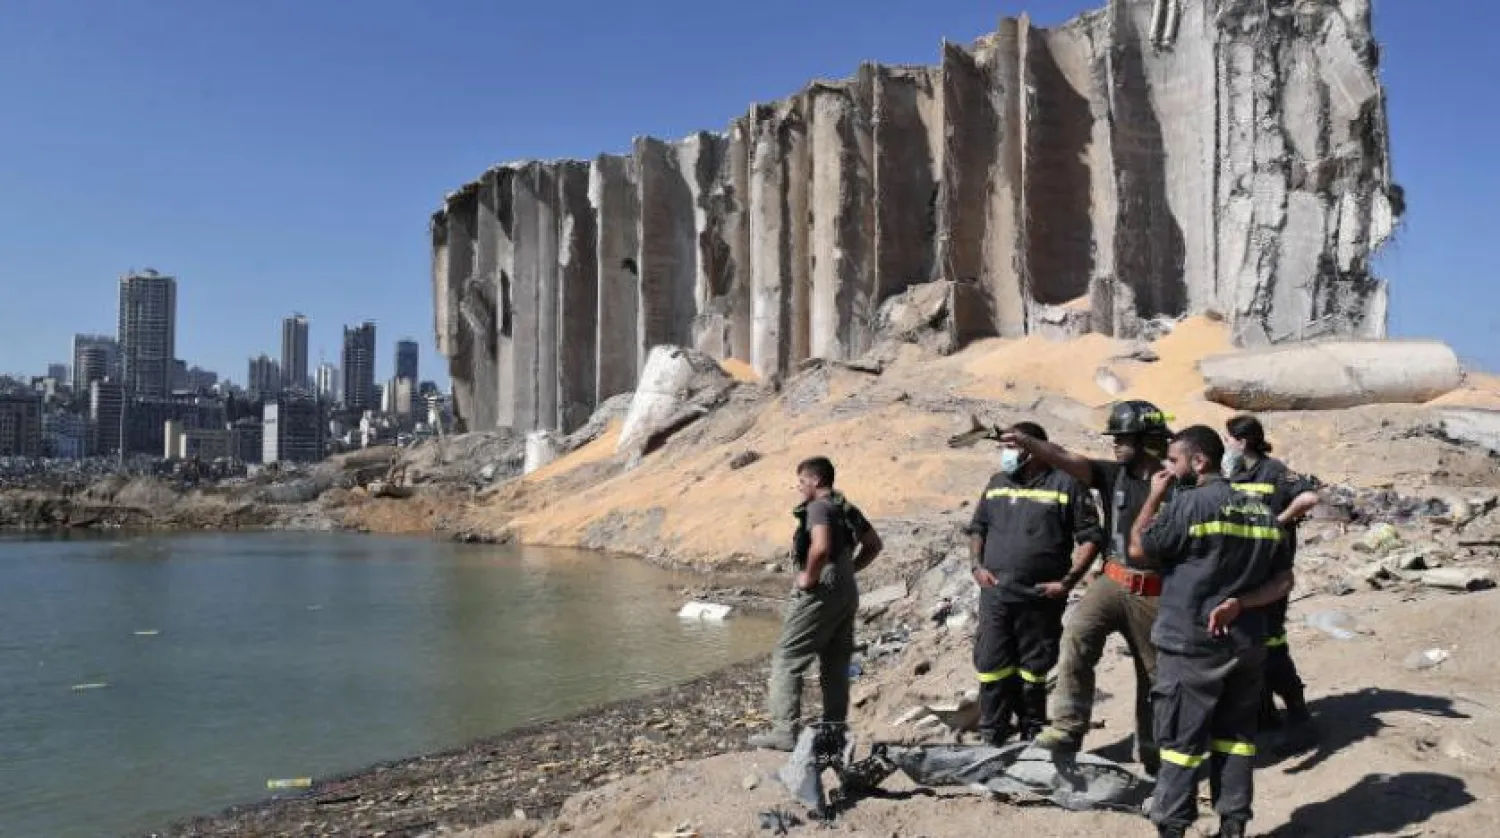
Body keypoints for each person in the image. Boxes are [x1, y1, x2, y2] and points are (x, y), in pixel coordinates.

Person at [1131, 425, 1294, 838]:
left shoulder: (1190, 504)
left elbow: (1138, 548)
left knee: (1180, 745)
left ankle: (1172, 826)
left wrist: (1154, 495)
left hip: (1192, 645)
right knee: (1236, 739)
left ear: (1198, 461)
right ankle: (1233, 826)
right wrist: (1241, 604)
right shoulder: (1260, 512)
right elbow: (1282, 582)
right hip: (1246, 645)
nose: (1167, 468)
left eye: (1173, 461)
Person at [1007, 399, 1173, 773]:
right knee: (1077, 638)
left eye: (1122, 437)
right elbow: (1064, 455)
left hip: (1155, 592)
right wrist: (1026, 441)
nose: (1115, 444)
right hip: (1112, 580)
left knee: (1155, 677)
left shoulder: (1175, 485)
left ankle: (1153, 754)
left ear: (1146, 439)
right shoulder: (1113, 474)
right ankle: (1067, 729)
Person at [967, 422, 1103, 744]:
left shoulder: (1066, 485)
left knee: (1033, 668)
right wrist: (976, 567)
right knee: (991, 666)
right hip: (996, 594)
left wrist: (1068, 582)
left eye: (1011, 447)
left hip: (1040, 597)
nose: (1006, 455)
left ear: (1034, 449)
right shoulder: (997, 483)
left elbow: (1090, 538)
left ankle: (1031, 734)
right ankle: (993, 736)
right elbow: (978, 528)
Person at [749, 456, 883, 751]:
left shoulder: (819, 508)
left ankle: (784, 732)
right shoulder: (845, 507)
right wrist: (849, 571)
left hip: (822, 587)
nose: (798, 487)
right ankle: (835, 729)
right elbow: (874, 544)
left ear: (816, 481)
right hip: (847, 588)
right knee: (836, 661)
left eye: (801, 481)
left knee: (787, 657)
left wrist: (809, 577)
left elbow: (820, 547)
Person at [1223, 414, 1322, 746]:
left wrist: (1277, 522)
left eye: (1230, 439)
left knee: (1271, 643)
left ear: (1244, 441)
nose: (1227, 445)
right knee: (1246, 644)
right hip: (1240, 573)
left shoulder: (1274, 471)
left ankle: (1297, 712)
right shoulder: (1234, 474)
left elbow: (1309, 498)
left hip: (1270, 574)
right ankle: (1263, 715)